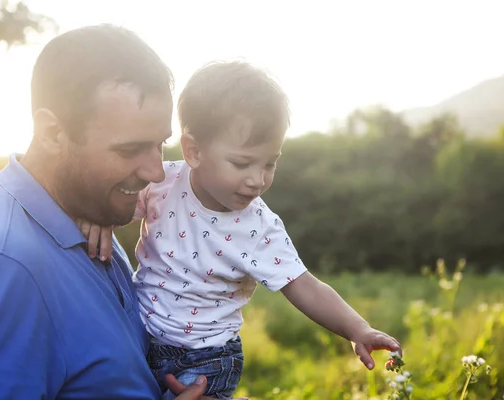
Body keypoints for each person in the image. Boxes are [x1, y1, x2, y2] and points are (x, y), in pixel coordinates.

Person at [0, 24, 247, 400]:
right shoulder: (2, 268)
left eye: (159, 144)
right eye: (129, 150)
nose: (156, 172)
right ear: (52, 133)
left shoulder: (81, 219)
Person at [85, 61, 403, 400]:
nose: (258, 179)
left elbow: (305, 286)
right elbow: (114, 207)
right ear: (193, 150)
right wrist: (94, 217)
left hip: (207, 360)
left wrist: (358, 329)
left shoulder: (259, 228)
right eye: (241, 163)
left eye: (270, 163)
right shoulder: (161, 184)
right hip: (141, 337)